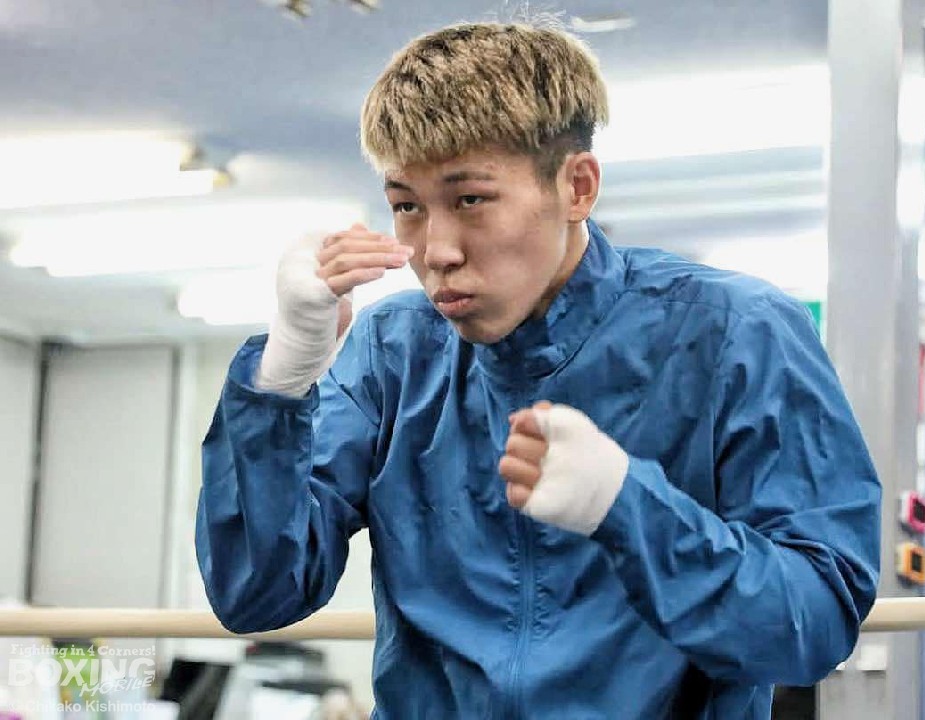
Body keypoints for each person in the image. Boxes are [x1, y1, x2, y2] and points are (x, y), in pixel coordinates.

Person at [196, 20, 881, 719]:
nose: (436, 251)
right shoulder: (395, 351)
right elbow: (255, 596)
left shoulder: (736, 331)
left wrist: (630, 508)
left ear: (576, 187)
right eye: (407, 206)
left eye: (470, 200)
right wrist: (280, 382)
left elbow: (815, 627)